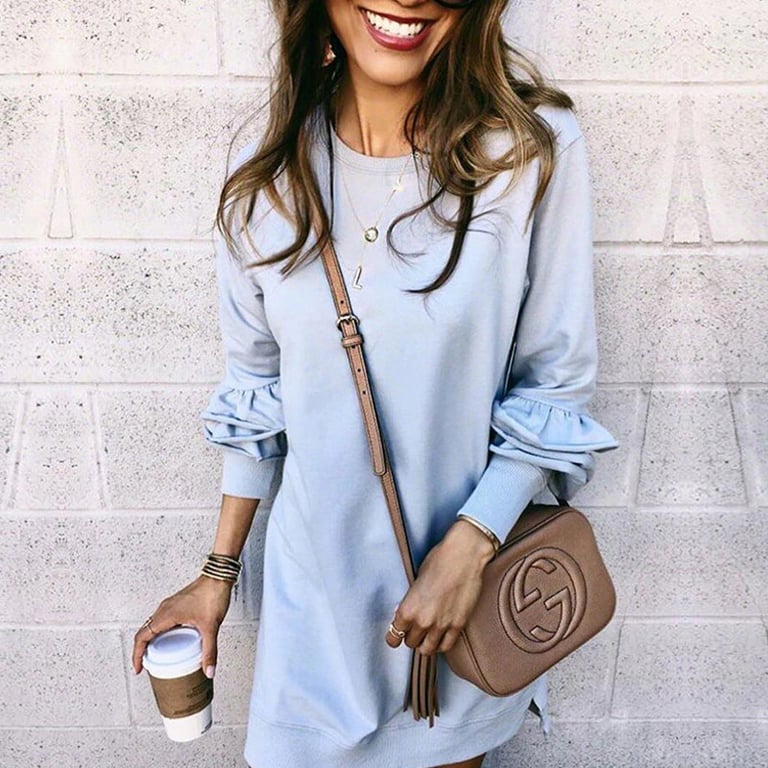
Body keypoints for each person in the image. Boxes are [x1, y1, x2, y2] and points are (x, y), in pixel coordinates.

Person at [132, 0, 619, 766]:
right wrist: (215, 576)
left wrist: (472, 543)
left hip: (456, 619)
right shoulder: (267, 176)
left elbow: (555, 386)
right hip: (312, 617)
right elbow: (257, 393)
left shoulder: (526, 153)